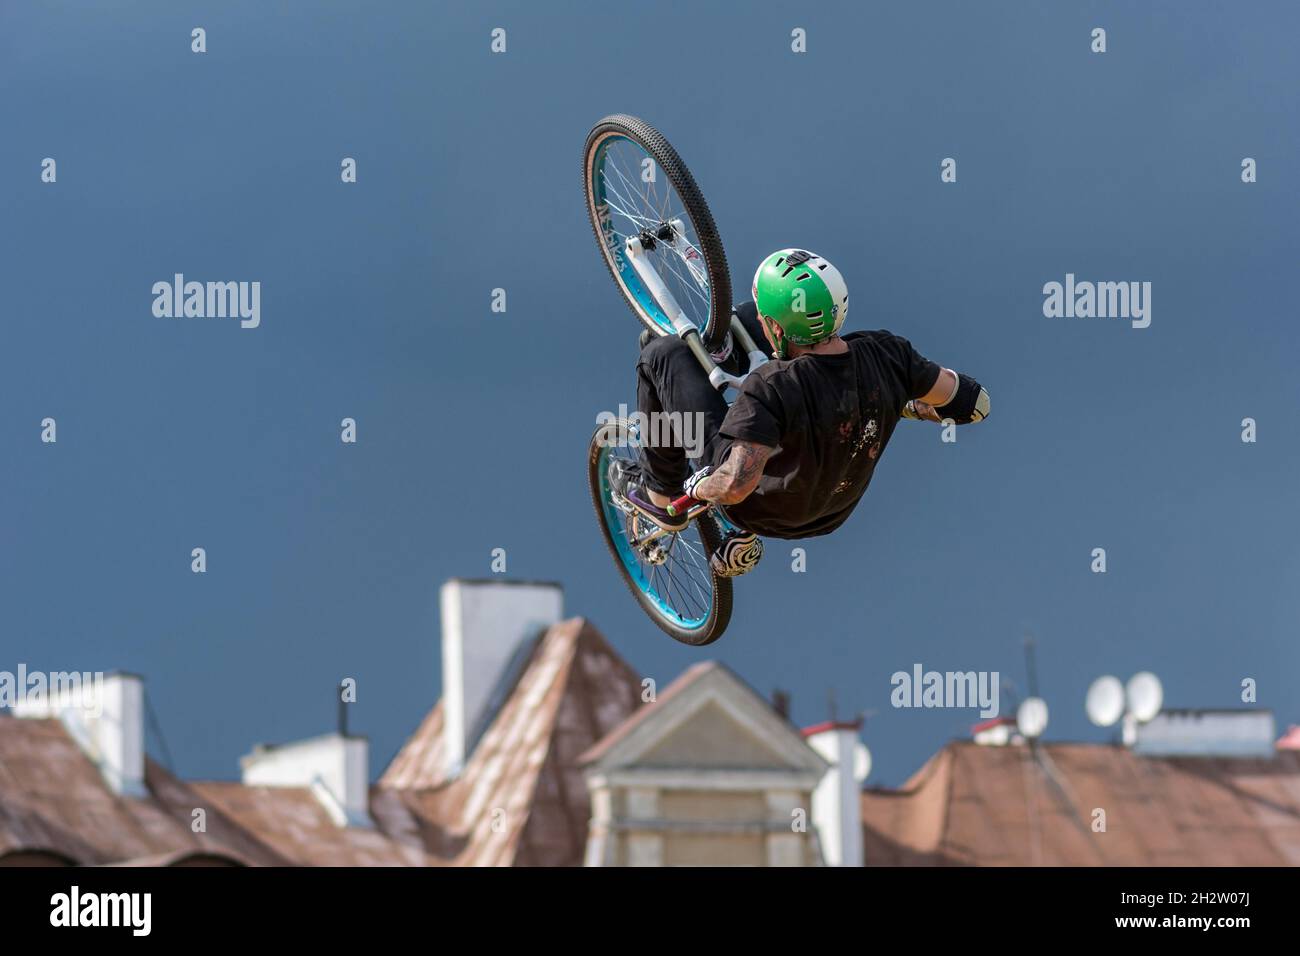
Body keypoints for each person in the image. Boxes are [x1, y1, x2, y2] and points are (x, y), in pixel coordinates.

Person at [611, 248, 989, 545]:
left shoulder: (771, 385)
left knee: (660, 356)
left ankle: (660, 497)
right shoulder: (889, 355)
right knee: (740, 317)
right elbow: (974, 405)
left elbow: (735, 485)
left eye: (765, 319)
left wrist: (697, 488)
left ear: (775, 326)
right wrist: (903, 404)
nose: (761, 320)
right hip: (833, 512)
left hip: (758, 511)